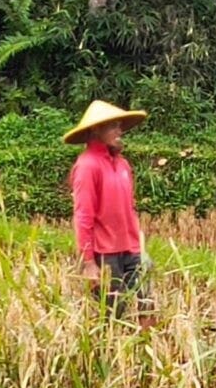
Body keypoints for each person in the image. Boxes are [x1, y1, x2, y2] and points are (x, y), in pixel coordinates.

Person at [63, 100, 154, 324]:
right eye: (113, 126)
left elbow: (129, 209)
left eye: (120, 125)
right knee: (115, 314)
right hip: (105, 254)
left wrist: (138, 245)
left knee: (147, 305)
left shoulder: (123, 165)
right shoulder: (87, 166)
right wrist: (88, 262)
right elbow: (83, 216)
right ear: (97, 130)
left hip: (131, 248)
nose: (119, 131)